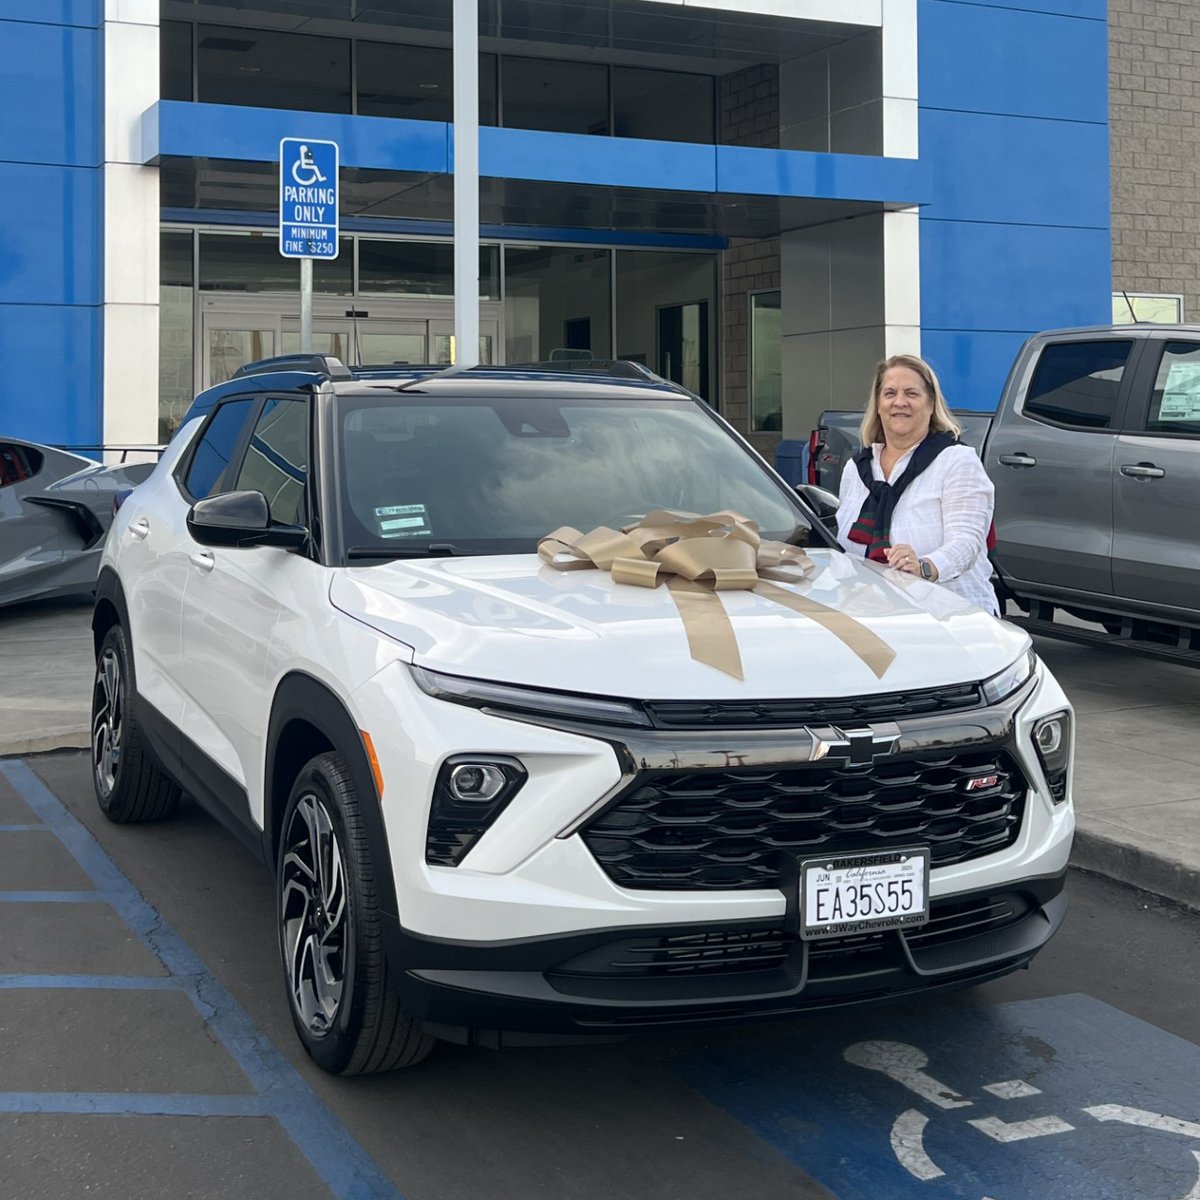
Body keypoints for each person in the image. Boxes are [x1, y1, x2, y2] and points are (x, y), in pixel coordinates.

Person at [834, 354, 998, 616]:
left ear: (931, 404)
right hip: (875, 617)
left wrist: (923, 567)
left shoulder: (957, 462)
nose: (900, 402)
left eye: (912, 393)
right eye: (890, 393)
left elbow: (966, 542)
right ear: (878, 404)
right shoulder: (858, 468)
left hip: (952, 619)